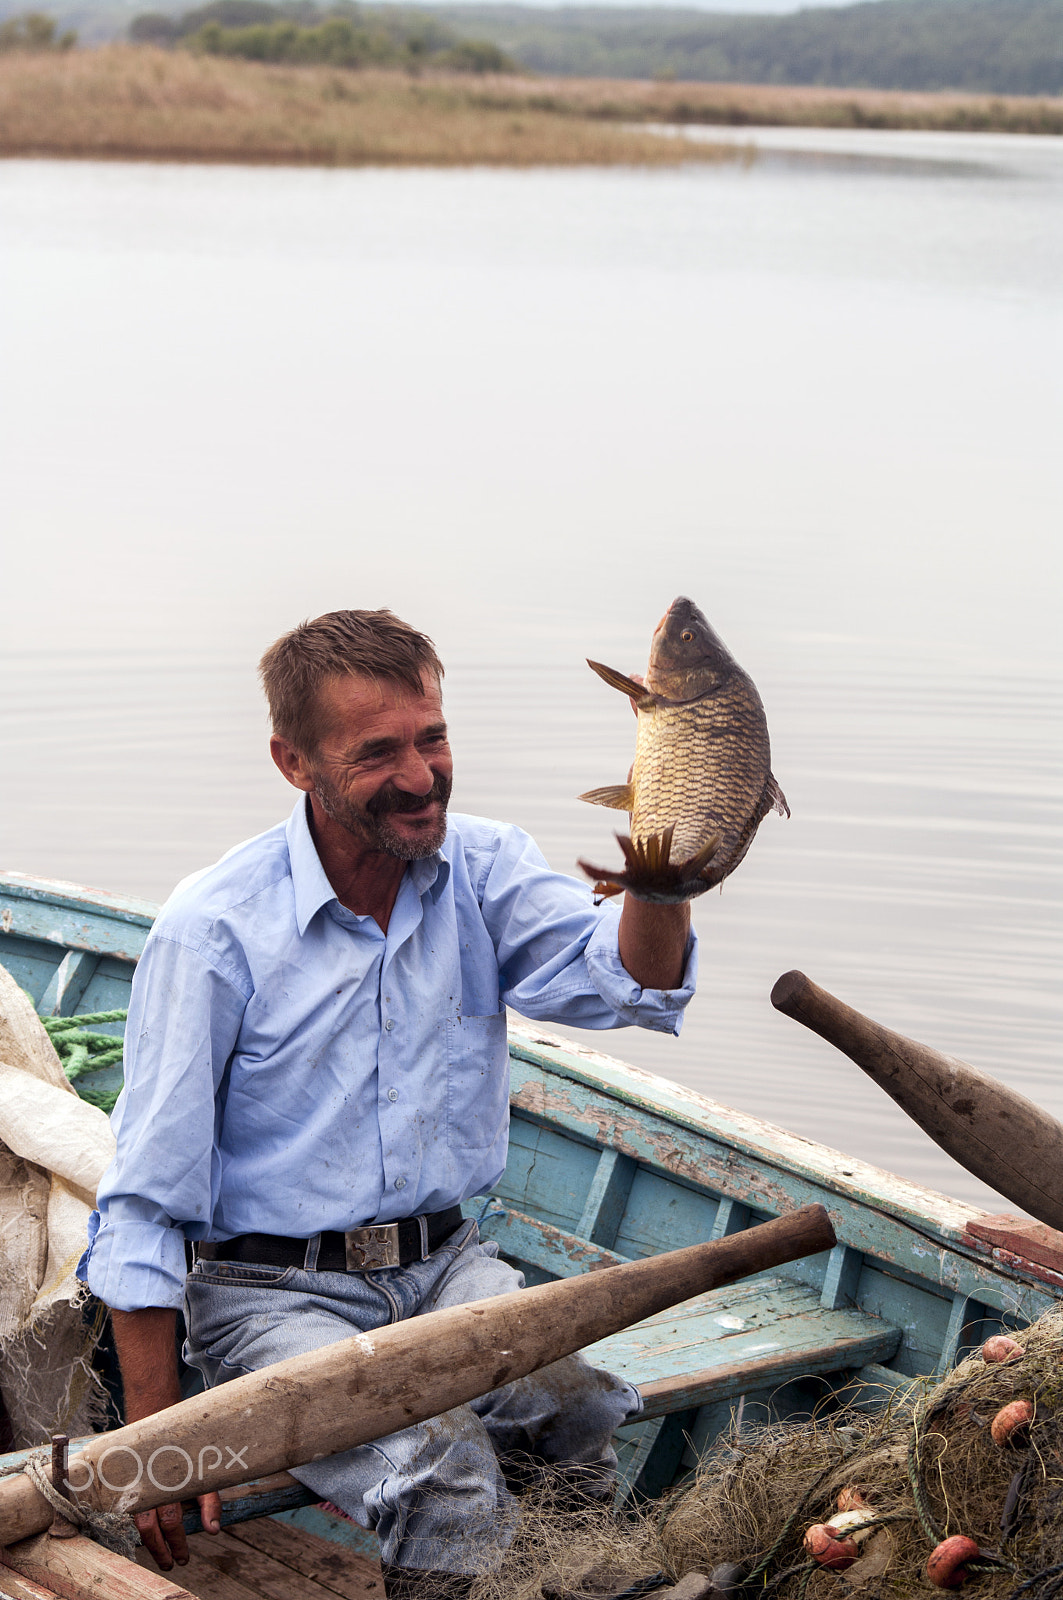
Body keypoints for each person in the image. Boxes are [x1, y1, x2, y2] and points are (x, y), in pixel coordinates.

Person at [80, 610, 697, 1599]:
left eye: (432, 737)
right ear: (295, 761)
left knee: (573, 1412)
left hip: (450, 1266)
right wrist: (158, 1442)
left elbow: (628, 984)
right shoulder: (213, 933)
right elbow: (146, 1207)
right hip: (273, 1297)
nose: (420, 776)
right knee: (444, 1480)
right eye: (378, 753)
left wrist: (667, 869)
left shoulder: (484, 869)